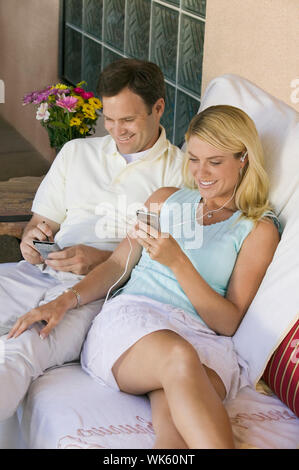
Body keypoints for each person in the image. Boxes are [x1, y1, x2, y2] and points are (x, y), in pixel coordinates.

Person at [6, 105, 280, 448]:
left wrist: (178, 262)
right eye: (193, 159)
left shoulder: (257, 228)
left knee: (173, 432)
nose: (201, 173)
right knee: (178, 358)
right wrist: (62, 301)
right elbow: (116, 265)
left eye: (215, 161)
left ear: (243, 159)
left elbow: (228, 322)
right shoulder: (165, 200)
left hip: (205, 341)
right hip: (135, 323)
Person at [0, 59, 184, 421]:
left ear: (158, 107)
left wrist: (99, 258)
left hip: (100, 296)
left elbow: (167, 262)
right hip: (39, 273)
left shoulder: (178, 172)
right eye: (109, 119)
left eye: (128, 120)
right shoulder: (77, 153)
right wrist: (32, 241)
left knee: (20, 348)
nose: (117, 130)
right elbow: (41, 221)